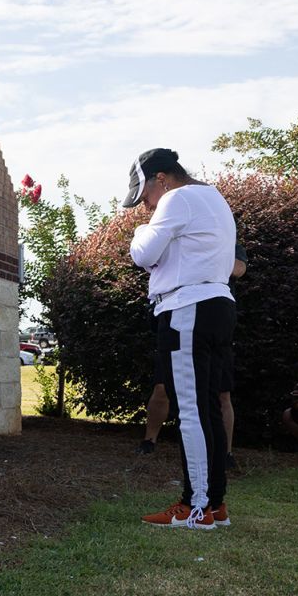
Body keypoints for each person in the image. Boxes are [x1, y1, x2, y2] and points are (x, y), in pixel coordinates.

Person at [124, 148, 236, 530]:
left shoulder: (176, 198)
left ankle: (196, 506)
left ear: (161, 179)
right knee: (206, 408)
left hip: (187, 307)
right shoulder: (213, 199)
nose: (145, 207)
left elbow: (143, 253)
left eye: (145, 197)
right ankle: (215, 504)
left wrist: (142, 232)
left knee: (191, 410)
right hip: (217, 304)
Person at [137, 244, 246, 467]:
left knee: (221, 393)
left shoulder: (229, 243)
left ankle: (225, 453)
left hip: (215, 325)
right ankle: (149, 441)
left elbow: (238, 269)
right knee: (162, 387)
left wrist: (205, 260)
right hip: (179, 320)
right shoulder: (182, 240)